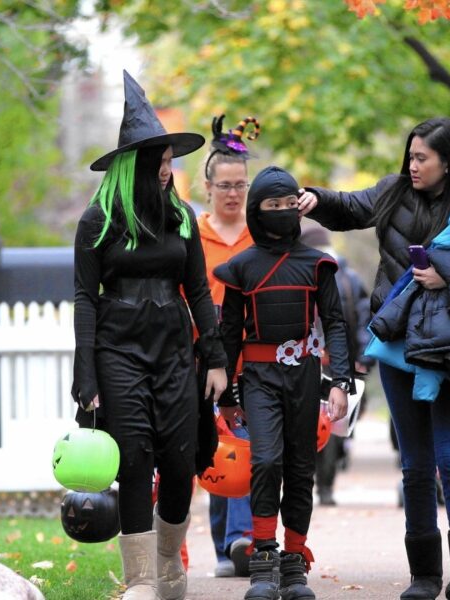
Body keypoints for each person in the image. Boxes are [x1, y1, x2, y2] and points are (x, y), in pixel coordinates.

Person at [299, 117, 450, 600]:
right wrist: (313, 198)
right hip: (398, 347)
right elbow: (349, 207)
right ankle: (424, 576)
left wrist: (448, 273)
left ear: (447, 162)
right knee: (414, 464)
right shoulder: (393, 192)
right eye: (410, 156)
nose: (411, 166)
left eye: (421, 158)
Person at [71, 70, 227, 600]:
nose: (166, 171)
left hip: (174, 349)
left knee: (181, 461)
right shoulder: (98, 220)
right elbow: (85, 298)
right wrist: (86, 373)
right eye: (158, 162)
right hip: (117, 348)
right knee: (134, 459)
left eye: (169, 162)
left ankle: (167, 562)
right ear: (133, 166)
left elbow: (199, 291)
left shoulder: (181, 217)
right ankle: (140, 581)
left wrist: (215, 358)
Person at [214, 166, 351, 600]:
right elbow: (229, 332)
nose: (283, 211)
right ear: (257, 210)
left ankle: (294, 564)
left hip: (305, 376)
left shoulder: (317, 264)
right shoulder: (240, 268)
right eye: (273, 205)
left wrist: (341, 381)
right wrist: (227, 395)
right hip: (258, 379)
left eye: (290, 204)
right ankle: (263, 560)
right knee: (266, 460)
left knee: (299, 467)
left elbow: (335, 322)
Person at [199, 114, 259, 578]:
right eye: (225, 185)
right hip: (204, 360)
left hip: (253, 357)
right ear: (208, 188)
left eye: (240, 185)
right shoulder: (192, 237)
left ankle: (242, 539)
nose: (234, 193)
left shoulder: (259, 236)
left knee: (246, 446)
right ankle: (226, 547)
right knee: (216, 450)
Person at [298, 226, 375, 507]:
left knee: (313, 425)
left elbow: (364, 319)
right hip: (338, 364)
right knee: (330, 425)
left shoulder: (305, 273)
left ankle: (313, 483)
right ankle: (324, 486)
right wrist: (362, 359)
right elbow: (366, 319)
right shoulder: (348, 277)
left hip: (315, 363)